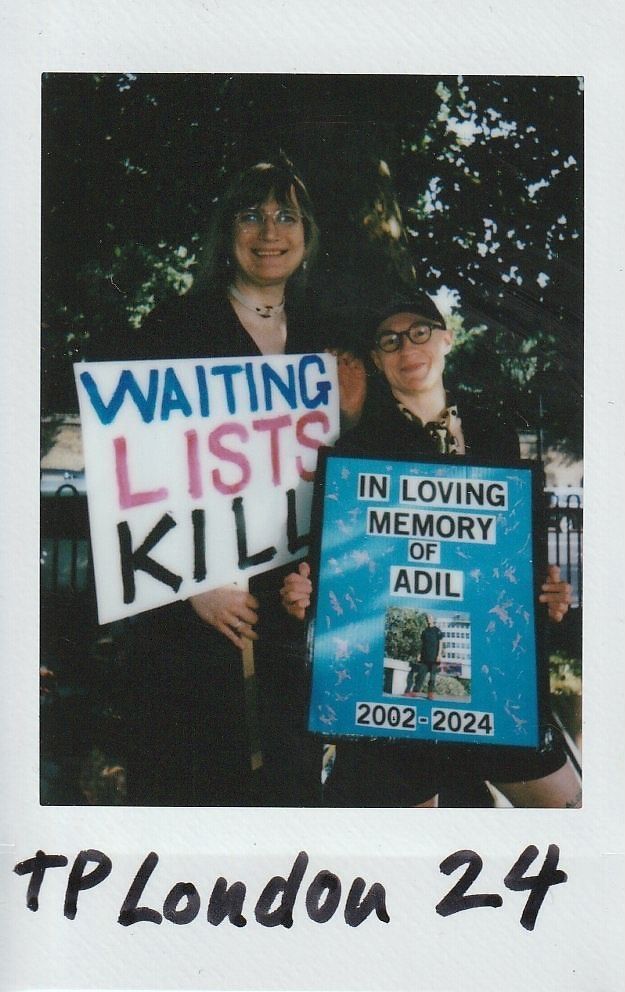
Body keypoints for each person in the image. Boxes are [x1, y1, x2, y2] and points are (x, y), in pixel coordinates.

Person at [280, 291, 580, 808]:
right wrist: (309, 596)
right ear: (376, 359)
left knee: (567, 804)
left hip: (490, 672)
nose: (407, 347)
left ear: (446, 339)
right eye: (389, 340)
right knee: (417, 828)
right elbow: (342, 576)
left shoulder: (494, 432)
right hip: (396, 678)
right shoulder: (358, 453)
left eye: (419, 331)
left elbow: (506, 557)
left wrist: (542, 594)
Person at [98, 160, 326, 805]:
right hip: (196, 615)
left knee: (288, 793)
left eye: (286, 216)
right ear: (226, 232)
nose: (268, 231)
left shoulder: (326, 338)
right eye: (250, 214)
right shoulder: (177, 326)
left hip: (294, 607)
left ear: (307, 234)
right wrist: (191, 583)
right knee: (196, 784)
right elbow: (133, 465)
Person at [413, 615, 443, 699]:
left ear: (433, 620)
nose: (428, 619)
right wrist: (419, 654)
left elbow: (441, 643)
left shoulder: (437, 631)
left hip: (434, 658)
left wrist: (439, 655)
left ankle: (430, 693)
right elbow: (422, 644)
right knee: (420, 675)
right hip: (424, 657)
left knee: (432, 677)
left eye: (430, 618)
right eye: (427, 618)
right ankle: (415, 692)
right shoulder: (424, 631)